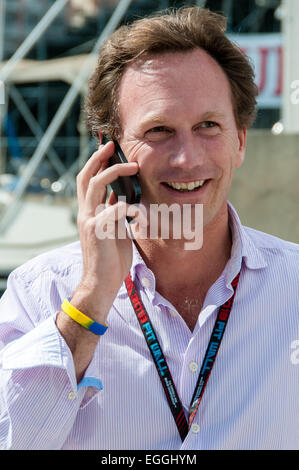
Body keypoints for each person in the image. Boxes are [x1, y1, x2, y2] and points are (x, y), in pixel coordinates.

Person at [0, 7, 298, 451]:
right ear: (110, 152)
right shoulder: (41, 294)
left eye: (208, 126)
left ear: (240, 140)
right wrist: (90, 302)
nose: (187, 158)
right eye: (159, 130)